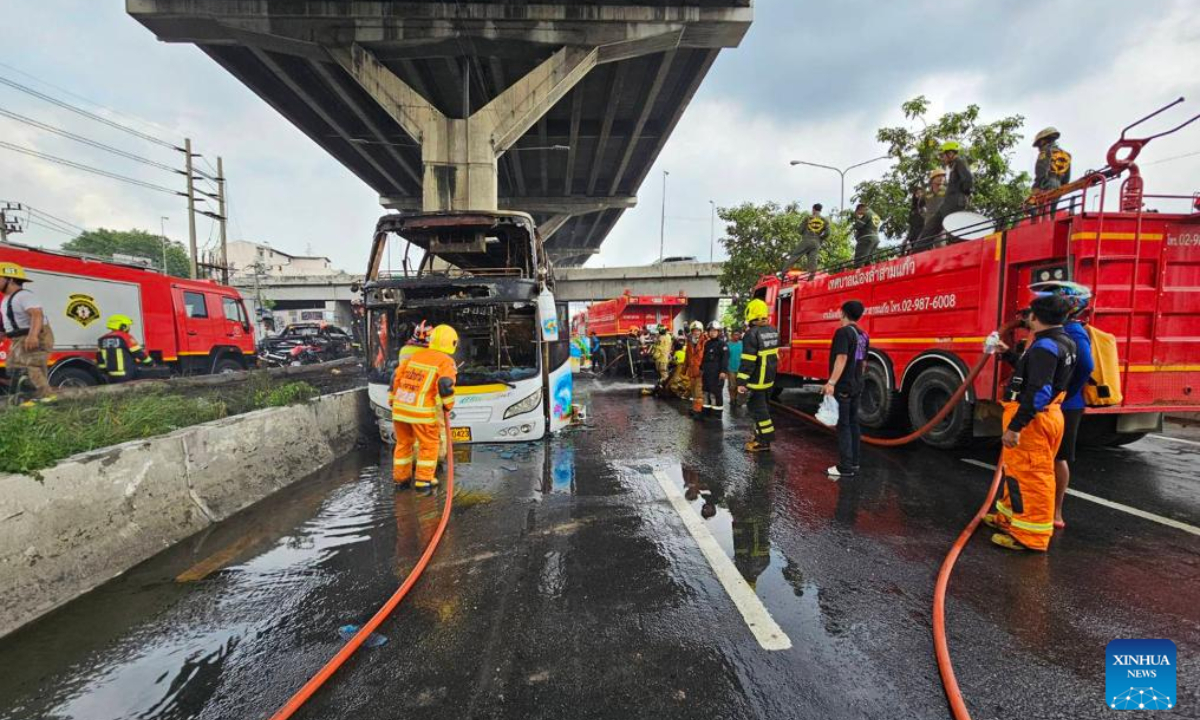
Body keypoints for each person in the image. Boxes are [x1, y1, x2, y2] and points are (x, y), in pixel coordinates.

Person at [985, 294, 1077, 551]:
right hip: (1047, 414)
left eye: (1029, 314)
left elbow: (1038, 391)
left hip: (1033, 420)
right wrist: (1009, 356)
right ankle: (1008, 518)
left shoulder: (1045, 347)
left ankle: (1031, 537)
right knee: (1015, 471)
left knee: (1032, 476)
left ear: (1035, 317)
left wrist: (1016, 427)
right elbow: (1036, 375)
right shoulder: (1063, 341)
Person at [1030, 281, 1093, 529]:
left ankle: (1055, 512)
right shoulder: (1052, 332)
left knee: (1057, 458)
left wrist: (1063, 392)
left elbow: (1086, 367)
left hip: (1064, 406)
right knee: (1040, 458)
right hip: (1054, 404)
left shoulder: (1073, 332)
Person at [389, 324, 458, 490]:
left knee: (404, 443)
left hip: (400, 408)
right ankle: (423, 480)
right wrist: (448, 405)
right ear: (452, 343)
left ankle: (401, 479)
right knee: (430, 443)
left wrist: (392, 399)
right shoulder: (446, 361)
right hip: (421, 411)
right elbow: (446, 384)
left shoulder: (415, 356)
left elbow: (396, 377)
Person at [823, 301, 869, 478]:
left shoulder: (843, 333)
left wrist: (831, 383)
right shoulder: (863, 335)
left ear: (843, 313)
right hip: (856, 384)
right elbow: (863, 363)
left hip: (843, 386)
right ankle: (854, 463)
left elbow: (841, 358)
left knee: (843, 426)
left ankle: (845, 467)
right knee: (853, 423)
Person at [0, 262, 55, 404]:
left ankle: (46, 398)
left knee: (31, 366)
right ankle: (25, 397)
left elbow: (37, 315)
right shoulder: (6, 299)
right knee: (13, 368)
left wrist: (33, 335)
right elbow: (9, 320)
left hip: (35, 334)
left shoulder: (23, 296)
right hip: (19, 337)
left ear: (10, 279)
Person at [736, 299, 779, 452]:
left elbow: (748, 360)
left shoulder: (751, 334)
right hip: (769, 378)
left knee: (758, 409)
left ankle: (764, 442)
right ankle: (760, 436)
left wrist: (741, 381)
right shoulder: (773, 330)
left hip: (757, 380)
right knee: (763, 408)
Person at [919, 142, 972, 247]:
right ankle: (917, 252)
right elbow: (919, 205)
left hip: (954, 202)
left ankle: (963, 247)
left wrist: (962, 196)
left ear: (950, 153)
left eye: (943, 155)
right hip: (948, 204)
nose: (942, 158)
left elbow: (968, 181)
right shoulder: (953, 167)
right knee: (928, 231)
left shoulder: (959, 162)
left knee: (954, 230)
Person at [96, 314, 154, 382]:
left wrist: (104, 371)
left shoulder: (102, 339)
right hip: (127, 374)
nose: (129, 328)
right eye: (128, 326)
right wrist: (151, 363)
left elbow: (100, 358)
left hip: (111, 376)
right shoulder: (125, 337)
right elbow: (138, 353)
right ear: (123, 326)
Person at [782, 203, 831, 278]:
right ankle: (811, 278)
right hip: (816, 242)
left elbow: (800, 230)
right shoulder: (825, 220)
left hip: (807, 240)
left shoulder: (808, 218)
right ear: (820, 210)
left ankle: (783, 273)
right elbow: (827, 233)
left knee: (795, 256)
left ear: (813, 209)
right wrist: (820, 238)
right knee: (813, 261)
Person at [1031, 127, 1072, 216]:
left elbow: (1041, 170)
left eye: (1038, 144)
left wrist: (1037, 186)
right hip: (1058, 184)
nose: (1039, 147)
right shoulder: (1066, 155)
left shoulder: (1045, 151)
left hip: (1046, 183)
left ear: (1043, 141)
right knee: (1051, 211)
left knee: (1033, 207)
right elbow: (1067, 178)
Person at [700, 321, 729, 418]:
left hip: (717, 372)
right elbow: (704, 357)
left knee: (716, 392)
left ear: (718, 332)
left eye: (714, 331)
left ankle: (717, 414)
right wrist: (701, 368)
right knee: (706, 391)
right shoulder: (707, 343)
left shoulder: (722, 344)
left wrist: (723, 372)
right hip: (707, 372)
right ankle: (706, 411)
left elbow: (725, 359)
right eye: (710, 331)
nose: (712, 333)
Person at [683, 320, 707, 415]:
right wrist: (684, 369)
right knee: (693, 391)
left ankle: (698, 411)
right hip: (692, 370)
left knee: (698, 393)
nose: (696, 332)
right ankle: (695, 408)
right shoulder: (690, 342)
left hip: (701, 371)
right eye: (694, 331)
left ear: (701, 331)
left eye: (698, 330)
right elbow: (687, 356)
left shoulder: (705, 341)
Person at [726, 327, 744, 408]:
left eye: (738, 335)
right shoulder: (728, 345)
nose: (736, 336)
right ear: (732, 335)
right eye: (735, 335)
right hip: (731, 369)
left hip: (740, 368)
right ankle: (732, 399)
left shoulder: (742, 344)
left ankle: (737, 399)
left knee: (739, 385)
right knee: (732, 385)